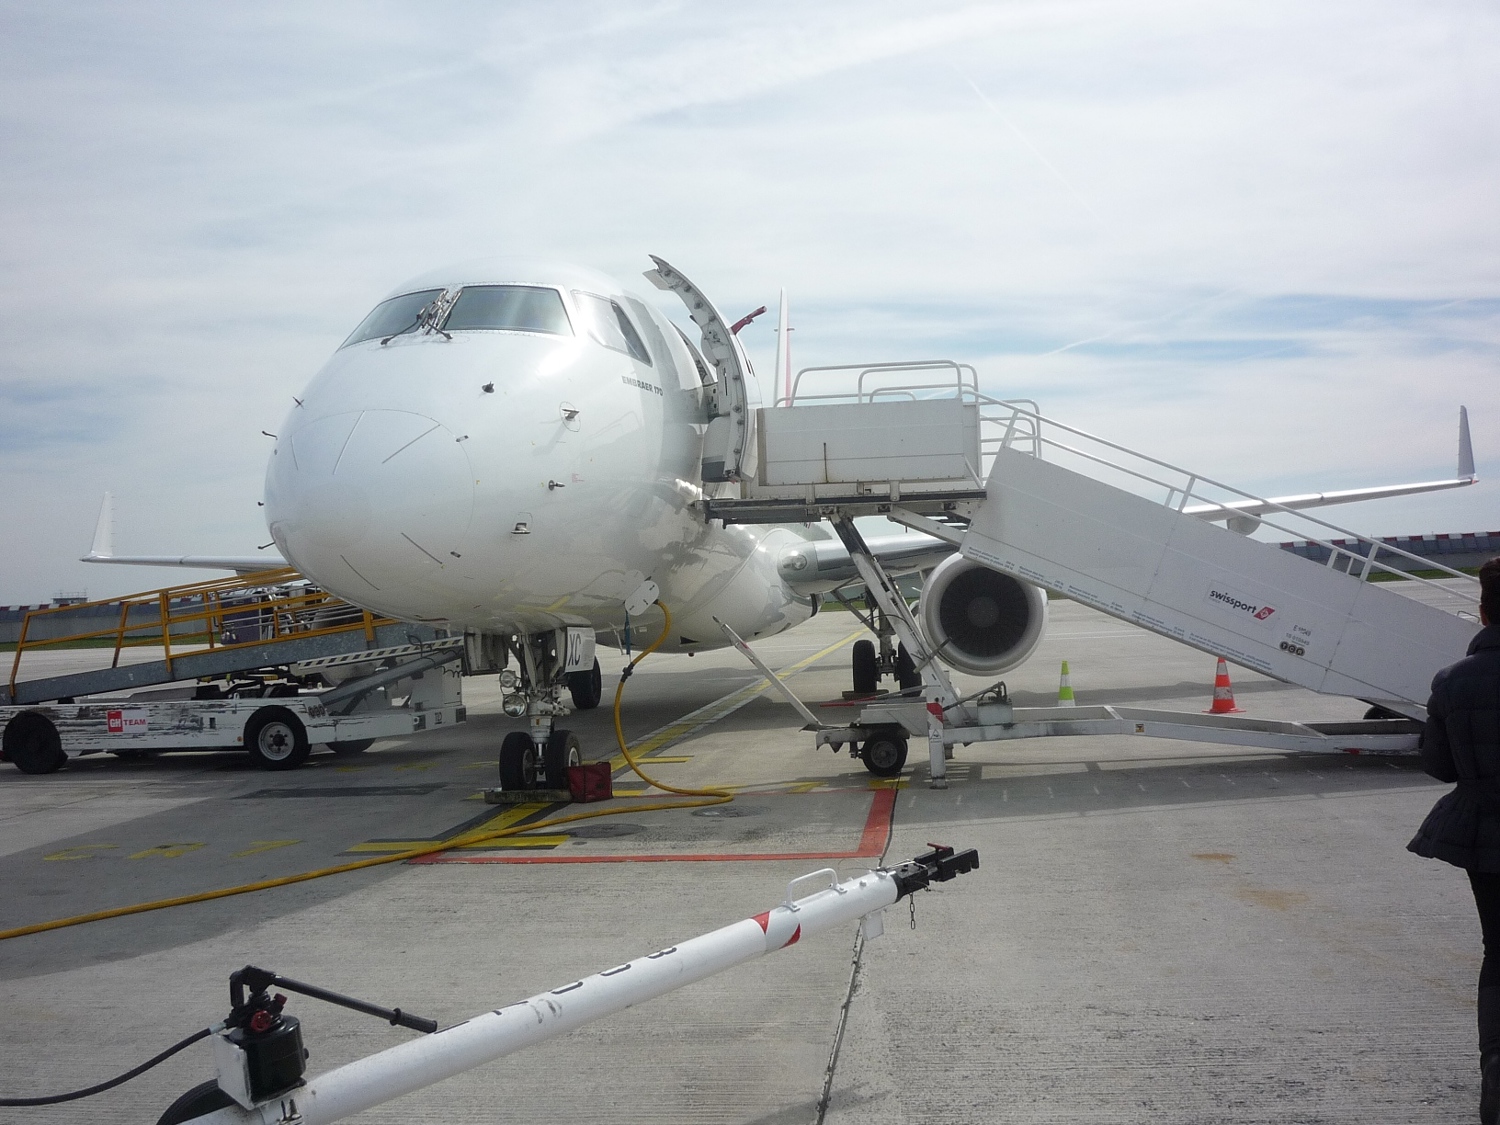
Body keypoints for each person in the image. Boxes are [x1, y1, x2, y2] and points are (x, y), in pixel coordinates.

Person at [1409, 556, 1500, 1123]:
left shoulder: (1451, 680)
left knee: (1499, 953)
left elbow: (1440, 766)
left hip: (1485, 831)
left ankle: (1497, 1064)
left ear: (1484, 611)